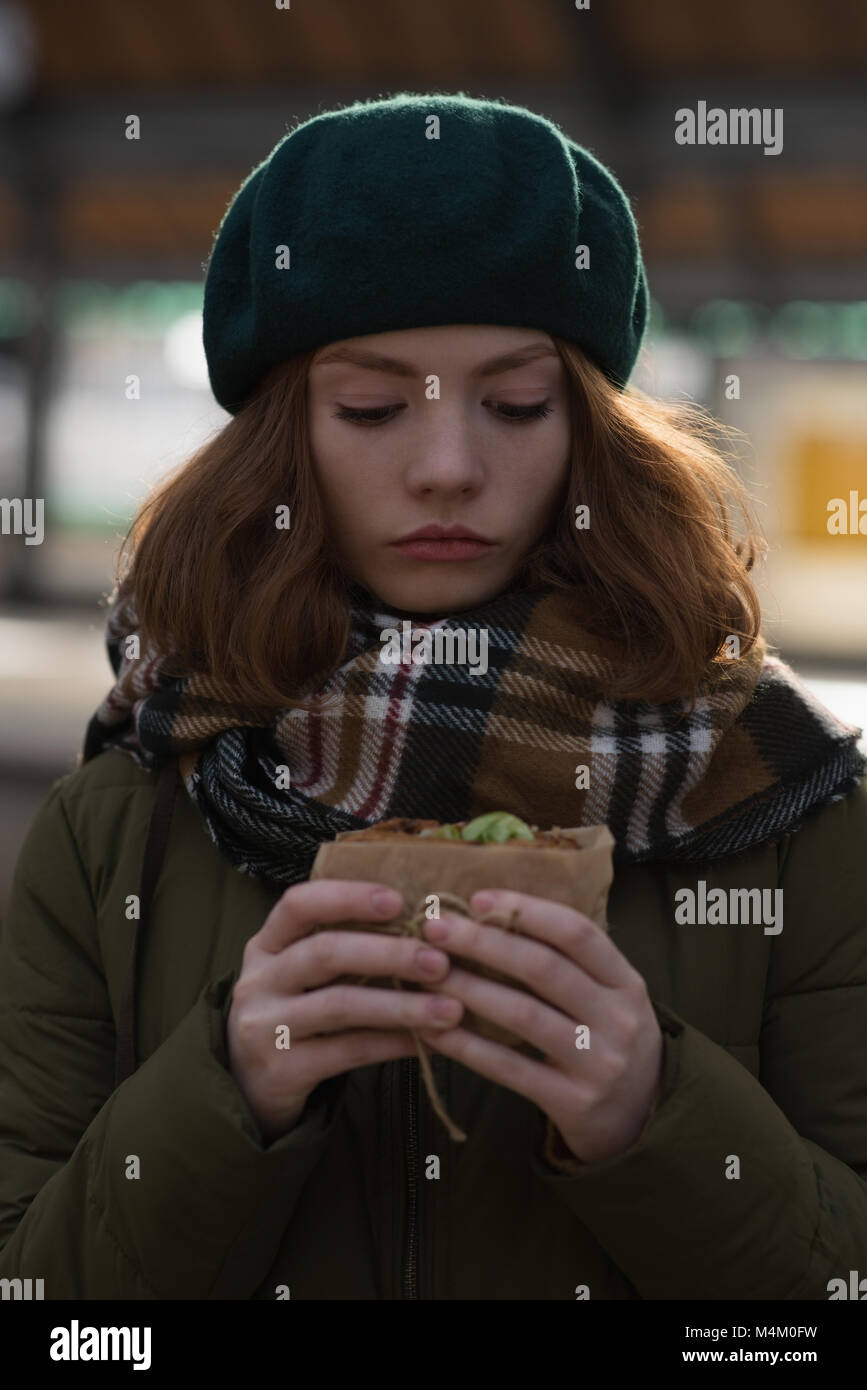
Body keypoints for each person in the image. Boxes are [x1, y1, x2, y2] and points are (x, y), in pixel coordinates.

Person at [1, 91, 866, 1302]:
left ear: (590, 431)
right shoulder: (114, 826)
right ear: (279, 441)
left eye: (516, 402)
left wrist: (657, 1119)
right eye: (368, 406)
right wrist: (226, 1086)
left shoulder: (787, 798)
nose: (449, 464)